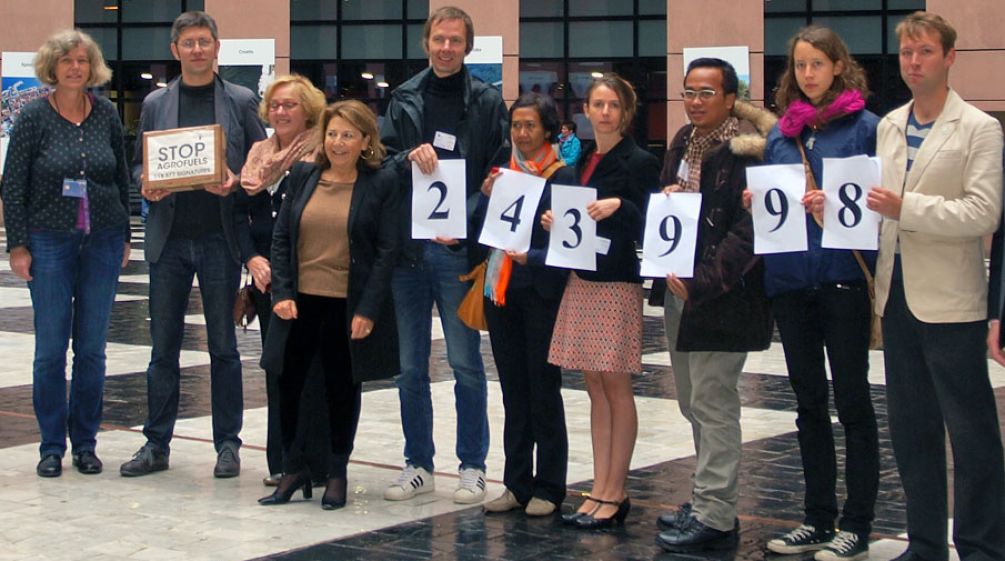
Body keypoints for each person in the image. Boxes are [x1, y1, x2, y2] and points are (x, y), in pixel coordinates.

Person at [870, 12, 1005, 561]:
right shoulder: (889, 124)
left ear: (949, 57)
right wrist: (831, 207)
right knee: (911, 429)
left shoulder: (979, 127)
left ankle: (980, 545)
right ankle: (924, 543)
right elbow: (874, 208)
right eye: (906, 52)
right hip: (896, 294)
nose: (913, 62)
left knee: (970, 434)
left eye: (924, 51)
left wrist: (909, 209)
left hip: (952, 300)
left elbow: (983, 212)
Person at [751, 25, 881, 561]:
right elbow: (773, 205)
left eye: (817, 65)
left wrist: (835, 209)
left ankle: (857, 523)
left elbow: (875, 203)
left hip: (842, 279)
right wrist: (754, 200)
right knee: (807, 405)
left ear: (837, 66)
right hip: (792, 283)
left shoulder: (866, 128)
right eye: (800, 65)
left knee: (852, 402)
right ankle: (817, 516)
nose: (807, 74)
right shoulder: (782, 135)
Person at [119, 10, 267, 478]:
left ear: (217, 46)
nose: (197, 50)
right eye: (189, 43)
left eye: (205, 41)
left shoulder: (241, 100)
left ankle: (227, 444)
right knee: (163, 348)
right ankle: (156, 443)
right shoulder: (156, 103)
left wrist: (235, 180)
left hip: (221, 240)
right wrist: (146, 183)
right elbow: (141, 163)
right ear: (175, 50)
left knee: (223, 347)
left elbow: (262, 166)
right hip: (169, 240)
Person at [379, 5, 508, 504]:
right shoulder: (404, 97)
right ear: (426, 43)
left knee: (465, 363)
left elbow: (499, 169)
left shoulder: (487, 101)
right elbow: (381, 160)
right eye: (439, 39)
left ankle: (473, 465)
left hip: (458, 252)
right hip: (409, 254)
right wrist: (406, 156)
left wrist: (468, 220)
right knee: (409, 366)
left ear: (467, 46)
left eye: (455, 40)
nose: (446, 47)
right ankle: (418, 463)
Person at [651, 58, 775, 552]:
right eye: (689, 91)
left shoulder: (748, 151)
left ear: (729, 98)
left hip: (724, 295)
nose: (696, 100)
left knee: (714, 401)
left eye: (707, 92)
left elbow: (750, 232)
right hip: (681, 289)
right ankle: (706, 497)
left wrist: (706, 280)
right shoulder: (682, 140)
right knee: (690, 401)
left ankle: (716, 513)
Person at [1, 29, 130, 478]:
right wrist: (18, 245)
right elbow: (12, 185)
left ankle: (86, 443)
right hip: (49, 240)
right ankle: (52, 445)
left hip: (104, 239)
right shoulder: (33, 118)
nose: (75, 67)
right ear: (52, 68)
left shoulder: (108, 114)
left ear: (91, 67)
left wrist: (127, 236)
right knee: (51, 349)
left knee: (92, 350)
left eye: (82, 60)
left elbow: (120, 177)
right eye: (66, 61)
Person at [258, 100, 400, 510]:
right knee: (290, 386)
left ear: (365, 141)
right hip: (299, 304)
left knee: (341, 389)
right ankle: (293, 468)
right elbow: (282, 238)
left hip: (346, 304)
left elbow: (386, 252)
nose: (338, 143)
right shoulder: (303, 175)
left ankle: (336, 471)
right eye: (333, 133)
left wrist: (368, 310)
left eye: (348, 135)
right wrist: (281, 293)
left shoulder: (379, 183)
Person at [543, 73, 659, 529]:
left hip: (615, 283)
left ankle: (616, 489)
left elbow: (652, 221)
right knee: (594, 386)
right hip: (582, 278)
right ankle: (600, 488)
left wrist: (621, 208)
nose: (605, 112)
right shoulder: (583, 160)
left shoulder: (639, 161)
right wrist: (556, 219)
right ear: (585, 111)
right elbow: (579, 217)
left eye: (613, 104)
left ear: (626, 112)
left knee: (615, 385)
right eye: (598, 104)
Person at [478, 92, 574, 517]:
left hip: (541, 295)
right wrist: (484, 196)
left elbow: (570, 244)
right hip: (502, 294)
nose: (521, 132)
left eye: (530, 125)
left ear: (548, 130)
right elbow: (483, 229)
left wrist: (531, 258)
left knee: (543, 390)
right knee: (513, 392)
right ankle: (516, 483)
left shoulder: (563, 177)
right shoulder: (504, 173)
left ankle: (550, 486)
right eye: (516, 125)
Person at [240, 74, 328, 487]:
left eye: (290, 105)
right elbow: (240, 214)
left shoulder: (320, 151)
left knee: (311, 371)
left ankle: (314, 460)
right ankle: (281, 461)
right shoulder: (258, 153)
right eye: (275, 105)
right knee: (277, 369)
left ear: (307, 108)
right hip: (264, 280)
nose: (280, 112)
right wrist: (252, 259)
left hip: (306, 276)